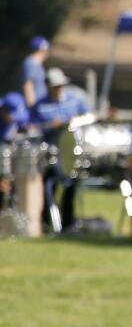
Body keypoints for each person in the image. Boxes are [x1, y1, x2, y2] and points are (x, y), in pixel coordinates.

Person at [32, 67, 89, 232]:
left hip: (70, 151)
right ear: (48, 86)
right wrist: (51, 125)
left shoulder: (73, 100)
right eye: (55, 86)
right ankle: (48, 222)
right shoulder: (40, 105)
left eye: (61, 85)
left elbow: (86, 116)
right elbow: (33, 127)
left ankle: (68, 222)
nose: (59, 89)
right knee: (50, 186)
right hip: (50, 151)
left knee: (71, 185)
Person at [20, 36, 49, 108]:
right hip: (34, 104)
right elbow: (28, 84)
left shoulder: (37, 64)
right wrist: (31, 104)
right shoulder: (31, 63)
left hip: (39, 104)